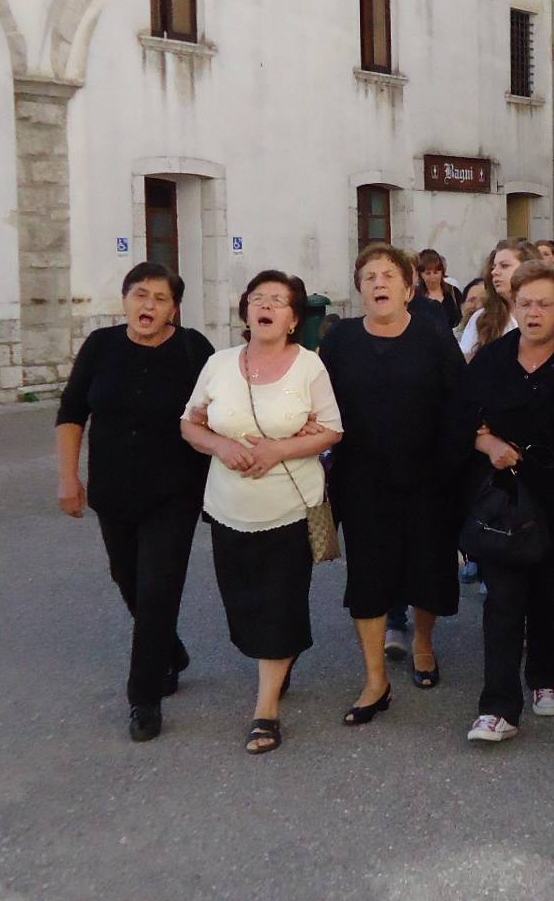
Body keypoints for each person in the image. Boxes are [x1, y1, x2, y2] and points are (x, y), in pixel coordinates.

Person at [178, 271, 343, 754]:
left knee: (280, 603)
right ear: (246, 312)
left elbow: (332, 430)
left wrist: (280, 450)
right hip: (229, 508)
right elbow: (190, 424)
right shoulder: (218, 363)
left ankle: (265, 708)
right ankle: (277, 658)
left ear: (293, 319)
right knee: (244, 602)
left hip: (291, 508)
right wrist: (222, 447)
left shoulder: (309, 367)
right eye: (257, 299)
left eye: (277, 300)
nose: (265, 306)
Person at [55, 263, 215, 743]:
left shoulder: (193, 350)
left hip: (174, 493)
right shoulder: (101, 346)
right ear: (125, 298)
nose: (149, 305)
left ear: (175, 309)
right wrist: (68, 478)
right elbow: (72, 411)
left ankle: (144, 698)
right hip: (112, 490)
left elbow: (221, 408)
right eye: (140, 294)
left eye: (161, 298)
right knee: (128, 579)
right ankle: (170, 650)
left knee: (158, 589)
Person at [320, 245, 467, 722]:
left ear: (408, 288)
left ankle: (423, 643)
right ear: (359, 288)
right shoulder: (339, 340)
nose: (378, 283)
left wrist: (451, 466)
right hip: (361, 479)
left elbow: (458, 405)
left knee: (428, 566)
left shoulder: (433, 336)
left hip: (428, 478)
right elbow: (319, 406)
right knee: (368, 575)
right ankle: (375, 677)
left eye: (388, 275)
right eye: (369, 276)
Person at [461, 262, 554, 743]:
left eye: (544, 303)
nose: (534, 313)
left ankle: (546, 676)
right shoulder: (492, 359)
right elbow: (461, 416)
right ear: (513, 306)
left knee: (550, 592)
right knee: (504, 599)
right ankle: (497, 706)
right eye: (526, 303)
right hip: (504, 500)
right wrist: (486, 443)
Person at [462, 240, 554, 358]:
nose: (495, 272)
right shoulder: (482, 317)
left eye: (504, 266)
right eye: (494, 267)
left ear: (528, 267)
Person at [410, 248, 463, 330]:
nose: (432, 277)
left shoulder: (453, 293)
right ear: (420, 275)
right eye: (428, 273)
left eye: (436, 272)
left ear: (442, 272)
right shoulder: (415, 296)